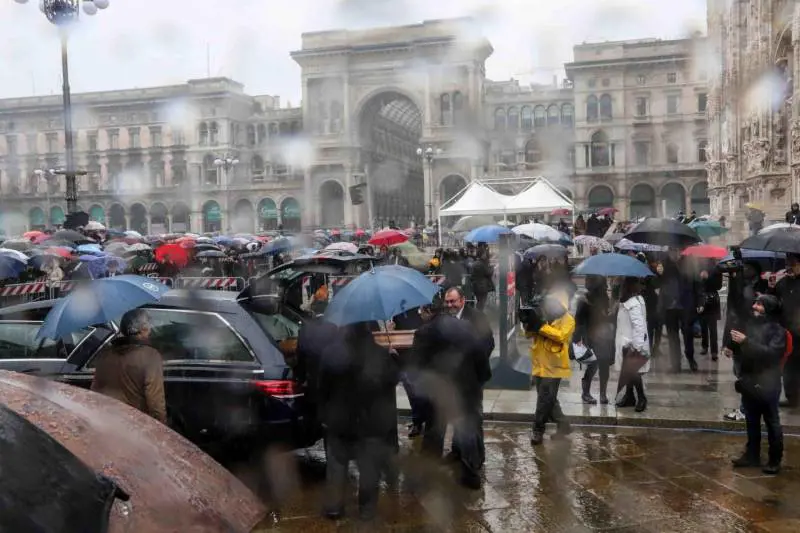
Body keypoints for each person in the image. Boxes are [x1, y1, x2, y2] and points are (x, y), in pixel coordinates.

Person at [319, 322, 399, 521]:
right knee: (369, 467)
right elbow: (392, 381)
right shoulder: (379, 354)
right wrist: (393, 357)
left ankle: (335, 507)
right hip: (370, 422)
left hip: (340, 420)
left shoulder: (330, 353)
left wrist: (325, 414)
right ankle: (367, 509)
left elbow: (322, 388)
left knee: (336, 465)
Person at [412, 304, 490, 489]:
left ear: (428, 311)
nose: (420, 315)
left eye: (421, 312)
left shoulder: (423, 333)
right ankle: (471, 475)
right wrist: (481, 378)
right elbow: (480, 354)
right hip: (466, 386)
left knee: (434, 431)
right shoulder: (465, 326)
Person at [726, 294, 785, 475]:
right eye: (755, 303)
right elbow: (743, 344)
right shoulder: (751, 325)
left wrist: (746, 342)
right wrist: (732, 347)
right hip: (749, 380)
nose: (755, 306)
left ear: (769, 308)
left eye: (760, 304)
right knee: (751, 420)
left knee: (771, 421)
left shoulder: (777, 331)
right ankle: (752, 455)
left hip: (768, 382)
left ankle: (774, 459)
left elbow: (771, 355)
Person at [90, 308, 167, 423]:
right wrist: (162, 431)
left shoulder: (105, 354)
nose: (150, 330)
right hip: (135, 425)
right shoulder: (151, 356)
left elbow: (94, 392)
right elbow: (155, 402)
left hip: (106, 423)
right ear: (143, 329)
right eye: (149, 326)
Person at [523, 290, 575, 445]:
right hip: (539, 365)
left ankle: (538, 429)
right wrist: (529, 323)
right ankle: (564, 425)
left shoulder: (568, 319)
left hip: (554, 366)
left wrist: (541, 326)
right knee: (549, 399)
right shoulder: (542, 315)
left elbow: (561, 336)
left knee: (544, 399)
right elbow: (527, 335)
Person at [574, 275, 615, 405]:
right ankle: (586, 393)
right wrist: (578, 338)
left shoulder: (604, 299)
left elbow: (607, 316)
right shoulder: (584, 300)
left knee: (603, 365)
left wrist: (608, 313)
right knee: (593, 364)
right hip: (591, 336)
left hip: (604, 336)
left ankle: (602, 393)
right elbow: (578, 321)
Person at [614, 278, 650, 412]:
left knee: (633, 372)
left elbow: (639, 326)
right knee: (629, 371)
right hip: (626, 342)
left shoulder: (633, 304)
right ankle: (629, 396)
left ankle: (641, 397)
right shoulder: (628, 302)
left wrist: (637, 347)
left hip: (631, 343)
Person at [772, 254, 800, 408]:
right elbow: (774, 303)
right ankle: (792, 397)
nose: (790, 267)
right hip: (788, 333)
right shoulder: (783, 283)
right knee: (789, 367)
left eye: (793, 264)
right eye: (788, 263)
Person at [699, 265, 723, 361]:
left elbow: (718, 286)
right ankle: (704, 346)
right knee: (703, 326)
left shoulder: (717, 269)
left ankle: (714, 351)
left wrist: (708, 278)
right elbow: (696, 284)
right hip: (701, 300)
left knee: (713, 329)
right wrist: (701, 278)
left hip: (712, 301)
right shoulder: (698, 267)